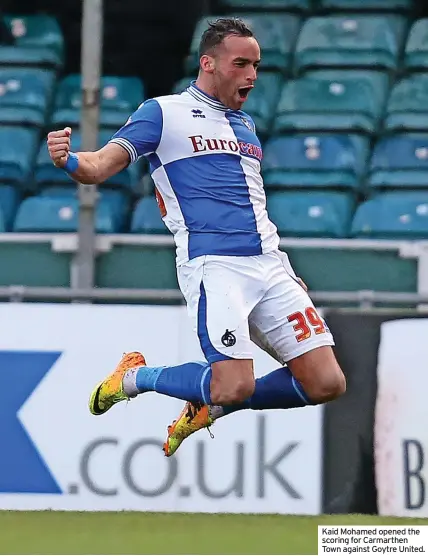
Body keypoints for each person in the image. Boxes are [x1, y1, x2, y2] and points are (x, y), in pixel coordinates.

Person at [47, 17, 346, 458]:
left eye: (257, 65)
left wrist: (284, 267)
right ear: (208, 63)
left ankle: (213, 410)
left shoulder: (245, 125)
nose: (252, 76)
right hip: (215, 265)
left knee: (326, 382)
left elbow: (254, 205)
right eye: (241, 64)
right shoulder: (163, 112)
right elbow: (100, 166)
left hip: (268, 264)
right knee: (233, 383)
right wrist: (69, 160)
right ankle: (134, 378)